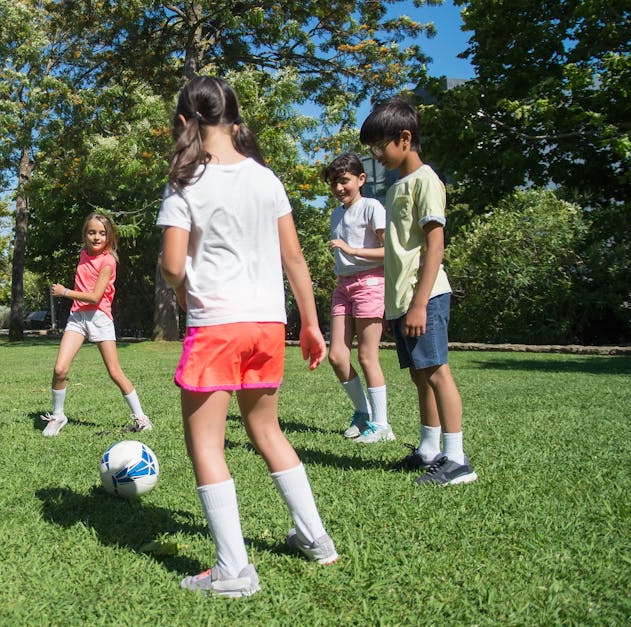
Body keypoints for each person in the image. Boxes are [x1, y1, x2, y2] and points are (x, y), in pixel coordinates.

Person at [158, 76, 338, 598]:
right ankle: (316, 538)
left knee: (206, 445)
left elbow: (172, 267)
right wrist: (310, 323)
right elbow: (295, 259)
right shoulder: (266, 178)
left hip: (216, 325)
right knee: (267, 431)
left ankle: (234, 571)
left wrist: (181, 279)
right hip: (268, 324)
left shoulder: (185, 182)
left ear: (186, 121)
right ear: (231, 119)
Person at [359, 99, 476, 486]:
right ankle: (429, 450)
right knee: (420, 376)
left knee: (438, 372)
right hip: (401, 300)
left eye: (380, 147)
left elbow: (435, 247)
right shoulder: (396, 187)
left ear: (404, 139)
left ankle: (457, 459)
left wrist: (419, 303)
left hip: (423, 297)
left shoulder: (426, 180)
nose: (376, 156)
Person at [41, 212, 151, 436]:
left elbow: (95, 296)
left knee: (114, 371)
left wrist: (64, 292)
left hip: (99, 318)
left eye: (102, 233)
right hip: (78, 317)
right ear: (85, 235)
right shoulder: (83, 254)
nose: (96, 237)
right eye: (92, 232)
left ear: (109, 237)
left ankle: (141, 419)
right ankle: (58, 415)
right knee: (60, 369)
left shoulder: (108, 262)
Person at [322, 153, 391, 443]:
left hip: (371, 283)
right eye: (334, 183)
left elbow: (389, 252)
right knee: (337, 356)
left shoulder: (372, 207)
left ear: (361, 179)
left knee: (366, 356)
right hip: (343, 286)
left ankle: (383, 426)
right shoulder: (337, 213)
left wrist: (352, 251)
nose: (339, 188)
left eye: (344, 181)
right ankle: (363, 415)